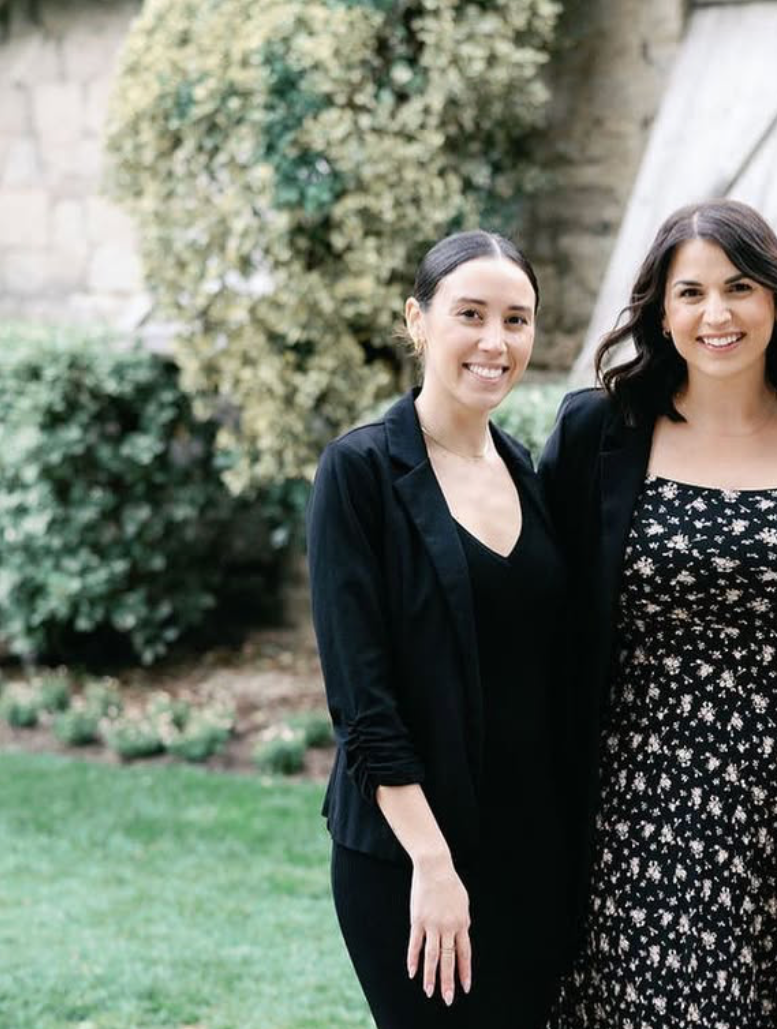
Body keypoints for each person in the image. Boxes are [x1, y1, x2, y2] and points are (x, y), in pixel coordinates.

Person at [539, 199, 777, 1028]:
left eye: (739, 287)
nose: (717, 314)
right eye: (691, 292)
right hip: (645, 818)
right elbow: (540, 616)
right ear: (661, 313)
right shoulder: (599, 432)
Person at [306, 230, 570, 1028]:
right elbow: (363, 704)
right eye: (472, 315)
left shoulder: (526, 466)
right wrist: (433, 863)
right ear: (418, 321)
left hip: (531, 855)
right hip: (411, 860)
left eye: (517, 320)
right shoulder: (359, 473)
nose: (496, 342)